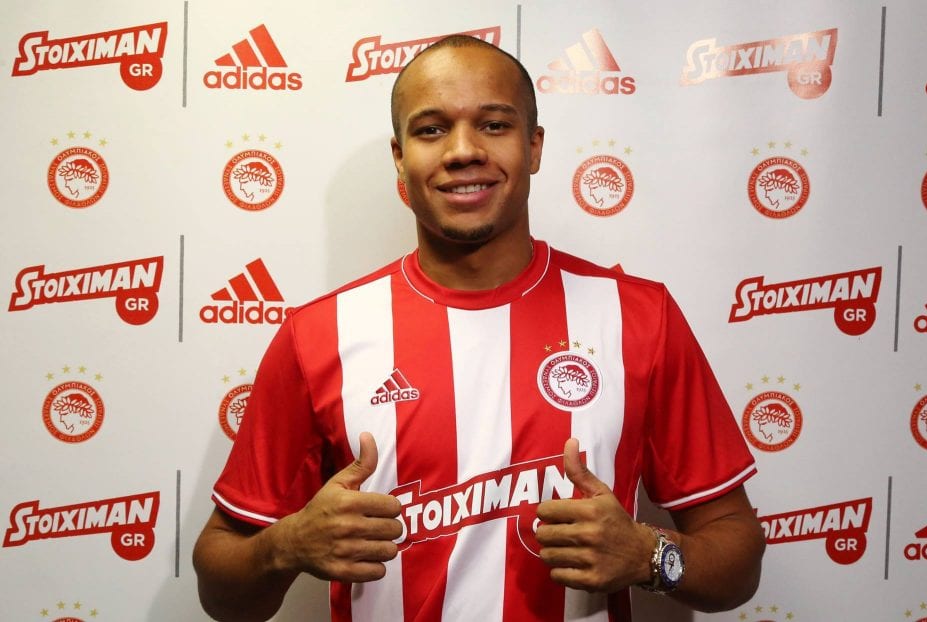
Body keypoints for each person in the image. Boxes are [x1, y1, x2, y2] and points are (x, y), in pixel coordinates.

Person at [193, 35, 765, 622]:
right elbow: (221, 590)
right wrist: (285, 546)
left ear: (533, 146)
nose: (463, 151)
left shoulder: (638, 317)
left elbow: (738, 563)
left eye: (494, 125)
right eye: (431, 129)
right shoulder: (318, 335)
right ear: (399, 157)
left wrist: (649, 555)